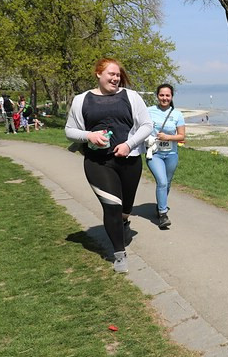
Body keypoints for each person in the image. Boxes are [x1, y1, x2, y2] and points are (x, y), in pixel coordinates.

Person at [65, 58, 152, 273]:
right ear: (98, 74)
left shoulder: (131, 97)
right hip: (98, 162)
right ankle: (119, 253)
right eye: (111, 74)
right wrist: (89, 135)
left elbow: (147, 125)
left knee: (125, 206)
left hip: (129, 160)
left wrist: (129, 144)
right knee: (111, 205)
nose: (115, 78)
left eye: (118, 75)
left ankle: (123, 222)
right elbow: (69, 130)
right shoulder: (81, 100)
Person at [146, 84, 186, 229]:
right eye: (162, 95)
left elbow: (182, 136)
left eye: (167, 95)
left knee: (167, 183)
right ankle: (163, 214)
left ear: (171, 97)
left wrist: (167, 137)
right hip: (154, 154)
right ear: (157, 96)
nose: (164, 98)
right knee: (162, 182)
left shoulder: (177, 114)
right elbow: (139, 127)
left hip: (171, 154)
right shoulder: (148, 111)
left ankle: (160, 205)